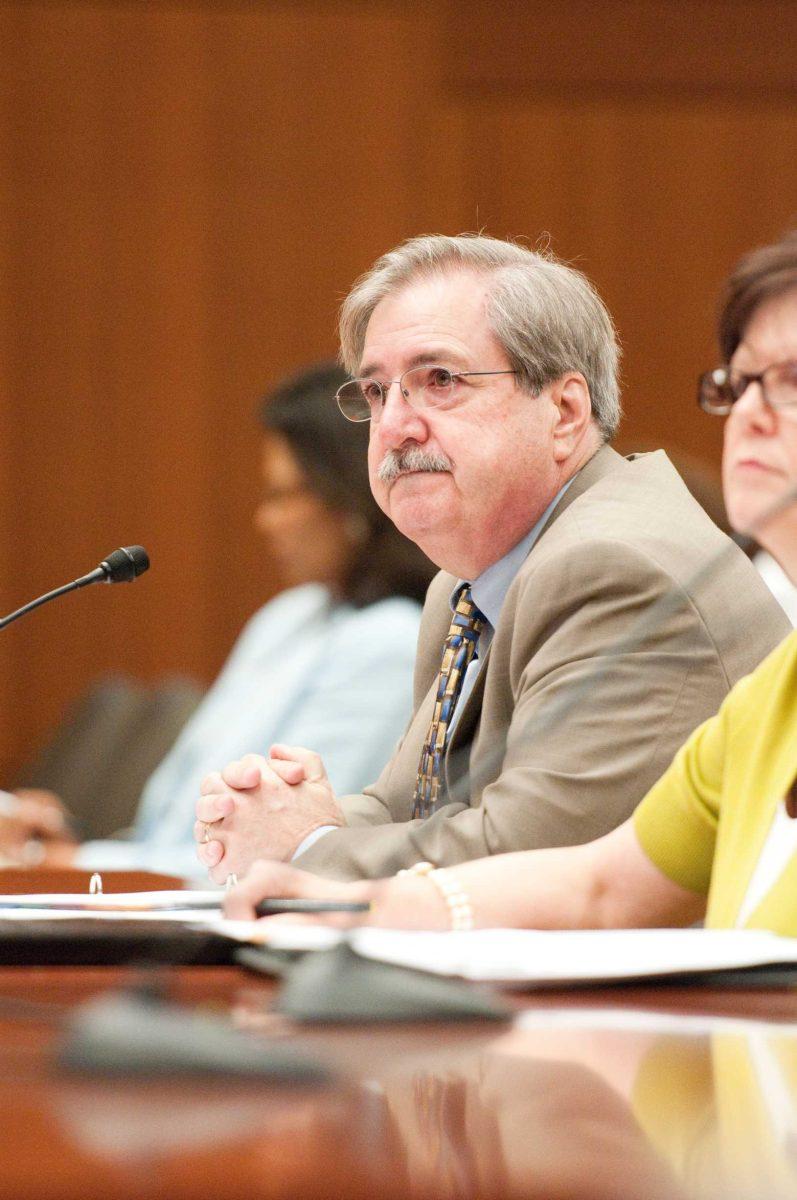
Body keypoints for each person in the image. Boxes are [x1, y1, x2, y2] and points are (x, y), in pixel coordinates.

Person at [224, 230, 797, 937]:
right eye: (376, 391)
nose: (395, 426)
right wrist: (304, 822)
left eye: (439, 381)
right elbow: (425, 812)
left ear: (564, 412)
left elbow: (530, 854)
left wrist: (309, 851)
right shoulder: (466, 582)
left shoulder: (615, 567)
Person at [1, 363, 432, 876]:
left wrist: (73, 864)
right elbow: (170, 825)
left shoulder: (389, 642)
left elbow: (287, 852)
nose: (264, 521)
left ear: (350, 499)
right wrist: (73, 846)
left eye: (281, 495)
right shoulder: (291, 617)